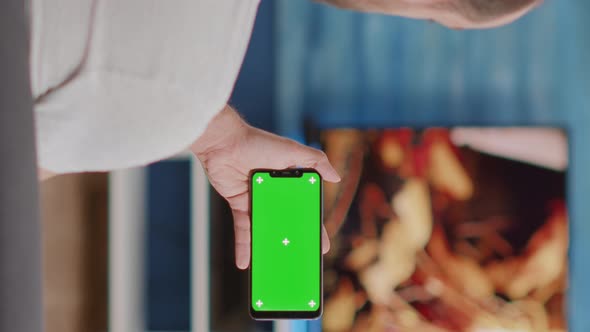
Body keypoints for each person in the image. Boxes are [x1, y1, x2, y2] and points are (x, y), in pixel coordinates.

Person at [33, 0, 542, 271]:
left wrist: (207, 128)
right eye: (437, 17)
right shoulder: (175, 91)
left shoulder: (175, 90)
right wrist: (182, 114)